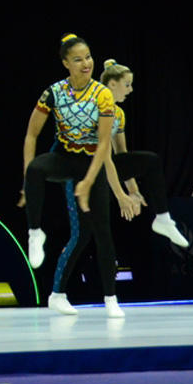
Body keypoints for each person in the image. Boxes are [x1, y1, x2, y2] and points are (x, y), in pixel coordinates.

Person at [42, 58, 190, 312]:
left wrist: (134, 191)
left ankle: (162, 218)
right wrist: (120, 194)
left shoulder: (118, 113)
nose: (131, 91)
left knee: (150, 162)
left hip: (105, 170)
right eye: (127, 85)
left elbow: (121, 154)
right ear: (111, 84)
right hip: (83, 173)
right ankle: (57, 293)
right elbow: (105, 158)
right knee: (83, 235)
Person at [20, 34, 138, 318]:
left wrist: (89, 182)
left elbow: (104, 145)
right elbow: (31, 134)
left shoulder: (103, 94)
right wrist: (26, 183)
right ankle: (35, 234)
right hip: (63, 157)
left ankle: (110, 298)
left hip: (91, 163)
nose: (86, 63)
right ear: (65, 64)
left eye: (88, 57)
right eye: (78, 59)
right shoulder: (54, 92)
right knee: (35, 170)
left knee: (99, 232)